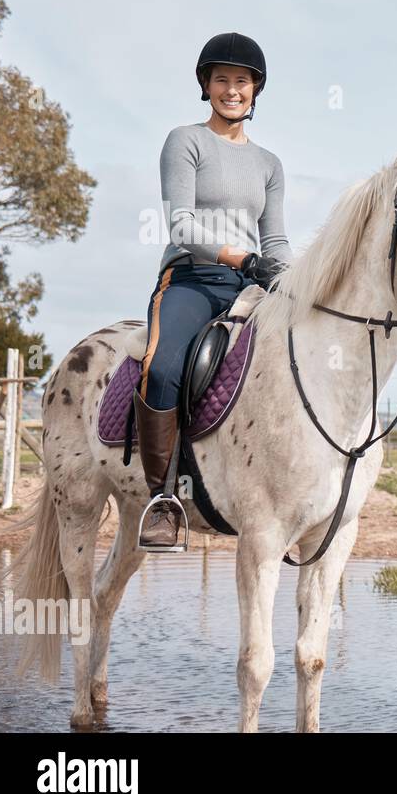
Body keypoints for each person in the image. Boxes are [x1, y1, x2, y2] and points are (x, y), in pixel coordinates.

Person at [136, 32, 292, 551]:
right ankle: (162, 498)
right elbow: (180, 225)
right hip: (192, 278)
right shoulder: (185, 141)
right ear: (207, 85)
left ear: (256, 91)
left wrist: (289, 280)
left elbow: (275, 238)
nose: (232, 90)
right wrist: (239, 257)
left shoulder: (270, 164)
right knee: (162, 367)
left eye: (241, 81)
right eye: (222, 79)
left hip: (251, 285)